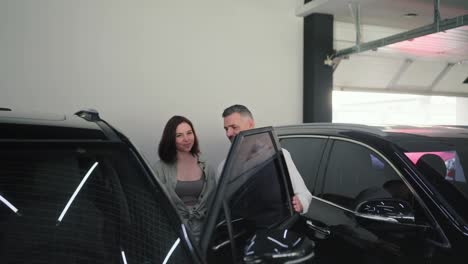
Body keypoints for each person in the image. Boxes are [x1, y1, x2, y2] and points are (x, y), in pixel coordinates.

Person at [217, 104, 312, 214]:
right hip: (242, 230)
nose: (228, 133)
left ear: (250, 125)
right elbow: (223, 209)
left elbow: (304, 194)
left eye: (234, 127)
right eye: (226, 129)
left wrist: (300, 203)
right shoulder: (223, 168)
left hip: (275, 226)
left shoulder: (278, 156)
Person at [153, 115, 216, 241]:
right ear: (170, 139)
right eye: (179, 135)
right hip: (174, 234)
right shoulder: (159, 169)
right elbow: (155, 208)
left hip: (205, 234)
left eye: (189, 133)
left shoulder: (207, 166)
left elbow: (214, 203)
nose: (186, 139)